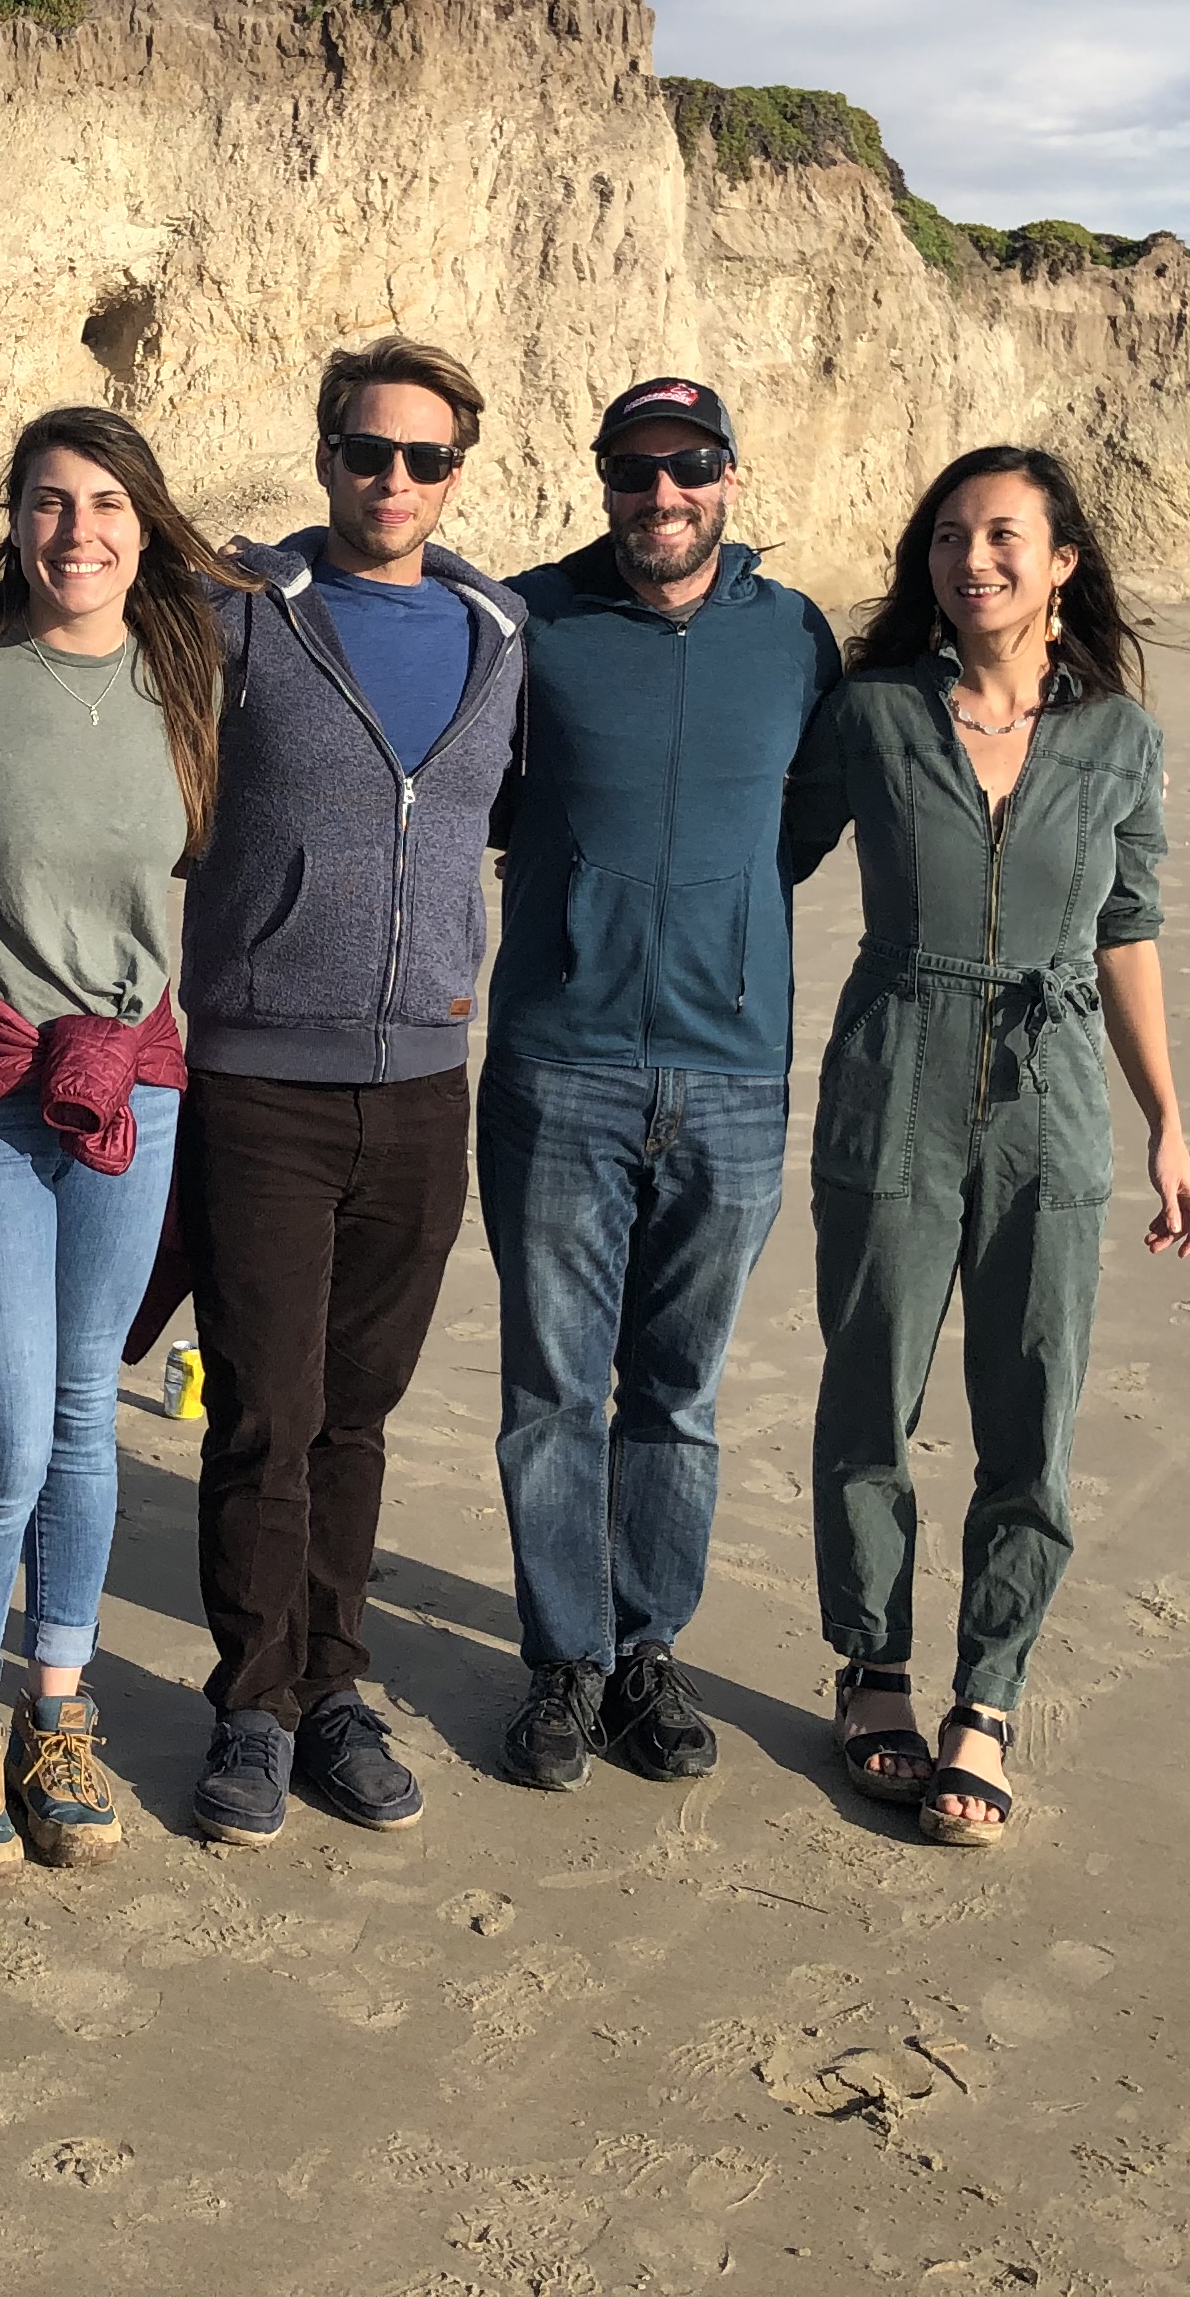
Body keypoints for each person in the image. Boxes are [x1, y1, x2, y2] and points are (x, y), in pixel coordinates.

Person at [793, 445, 1190, 1844]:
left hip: (1053, 1092)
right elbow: (756, 853)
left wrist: (1169, 1125)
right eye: (951, 538)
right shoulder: (870, 715)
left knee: (1034, 1407)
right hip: (893, 1061)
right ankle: (874, 1670)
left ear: (1063, 562)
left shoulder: (1121, 742)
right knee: (873, 1395)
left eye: (1005, 537)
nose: (975, 560)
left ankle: (990, 1695)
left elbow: (1127, 931)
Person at [174, 336, 528, 1846]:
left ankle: (333, 1688)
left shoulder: (502, 635)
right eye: (366, 452)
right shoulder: (242, 614)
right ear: (322, 457)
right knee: (265, 1408)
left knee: (360, 1415)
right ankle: (251, 1703)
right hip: (260, 1079)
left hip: (428, 1079)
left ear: (459, 471)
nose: (393, 481)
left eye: (425, 458)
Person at [0, 407, 244, 1883]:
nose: (77, 532)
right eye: (48, 504)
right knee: (3, 1433)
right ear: (14, 520)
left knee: (90, 1415)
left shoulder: (190, 672)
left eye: (106, 504)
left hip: (139, 1085)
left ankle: (59, 1707)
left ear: (147, 524)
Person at [483, 377, 842, 1790]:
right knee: (554, 1391)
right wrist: (588, 907)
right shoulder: (531, 621)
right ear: (603, 484)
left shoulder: (795, 636)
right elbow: (487, 797)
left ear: (731, 479)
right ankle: (565, 1661)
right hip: (558, 1065)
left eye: (689, 467)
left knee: (677, 1393)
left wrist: (723, 922)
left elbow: (808, 813)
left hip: (735, 1070)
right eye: (634, 471)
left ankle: (649, 1652)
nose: (662, 494)